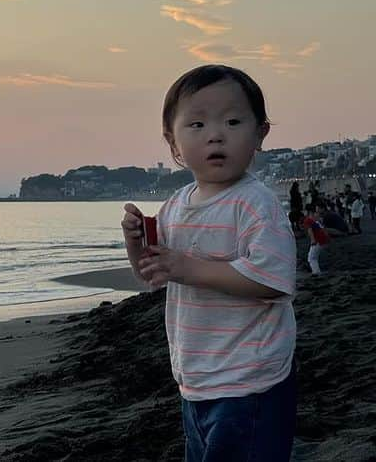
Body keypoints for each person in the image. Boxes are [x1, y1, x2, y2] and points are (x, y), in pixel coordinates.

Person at [122, 64, 296, 462]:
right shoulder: (176, 206)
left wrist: (187, 267)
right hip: (196, 378)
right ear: (173, 144)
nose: (216, 134)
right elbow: (151, 274)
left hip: (250, 381)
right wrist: (135, 243)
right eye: (196, 125)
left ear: (260, 134)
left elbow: (272, 281)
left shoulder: (256, 204)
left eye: (233, 121)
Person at [302, 203, 329, 274]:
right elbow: (323, 228)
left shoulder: (307, 220)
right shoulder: (316, 219)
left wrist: (313, 240)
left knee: (311, 258)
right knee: (314, 257)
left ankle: (316, 272)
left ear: (308, 211)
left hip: (318, 240)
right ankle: (317, 271)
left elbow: (310, 230)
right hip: (323, 239)